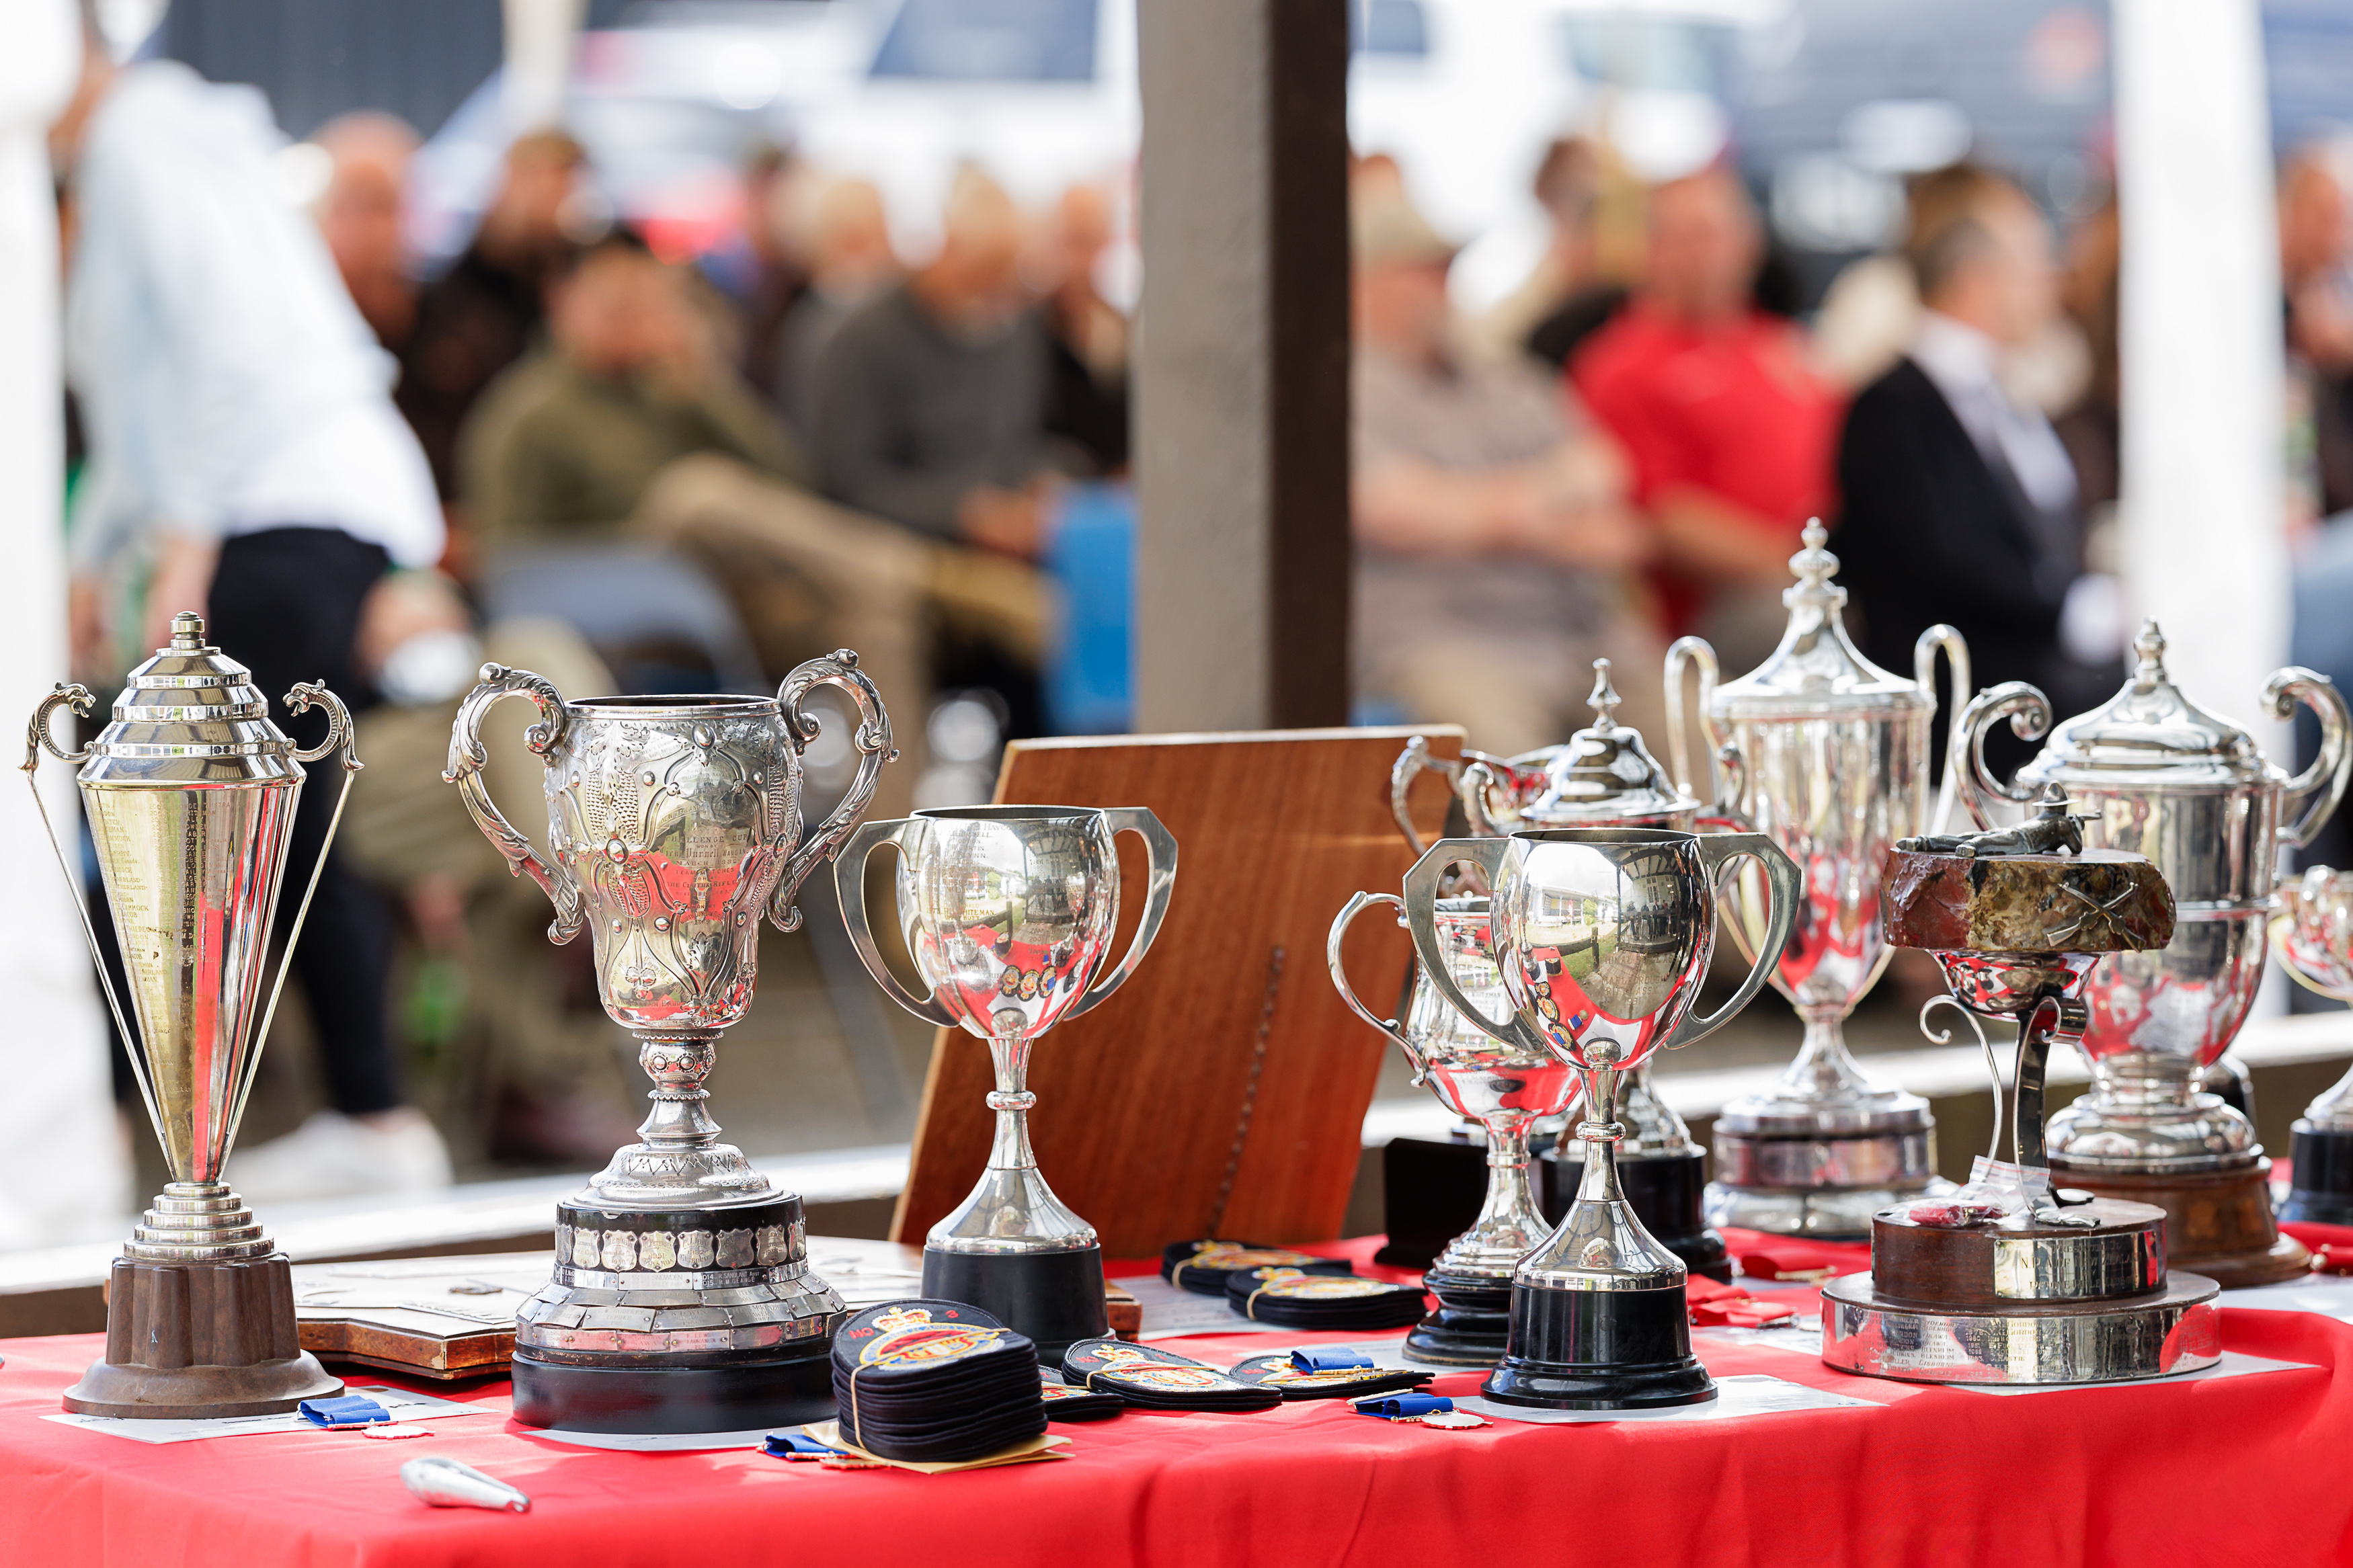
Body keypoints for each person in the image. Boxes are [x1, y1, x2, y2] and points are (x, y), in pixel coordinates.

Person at [52, 40, 452, 1198]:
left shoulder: (144, 139)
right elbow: (149, 393)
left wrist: (180, 547)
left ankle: (119, 1120)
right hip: (293, 508)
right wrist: (98, 555)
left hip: (269, 511)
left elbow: (223, 355)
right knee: (270, 814)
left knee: (191, 820)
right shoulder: (171, 140)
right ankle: (362, 1114)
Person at [1349, 186, 1656, 757]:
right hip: (1443, 639)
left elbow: (1608, 486)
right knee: (1501, 757)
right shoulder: (1346, 388)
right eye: (1421, 270)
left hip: (1585, 636)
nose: (1442, 286)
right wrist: (1547, 505)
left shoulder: (1507, 379)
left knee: (1700, 730)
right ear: (1365, 280)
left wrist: (1483, 515)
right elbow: (1392, 510)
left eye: (1446, 269)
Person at [1829, 163, 2122, 751]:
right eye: (2034, 261)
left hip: (2051, 681)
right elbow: (1943, 564)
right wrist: (2070, 611)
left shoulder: (2007, 394)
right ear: (1977, 277)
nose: (2052, 279)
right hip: (1973, 713)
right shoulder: (1891, 410)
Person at [1570, 164, 1841, 668]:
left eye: (1718, 233)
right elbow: (1660, 515)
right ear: (1651, 249)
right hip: (1713, 606)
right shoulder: (1620, 366)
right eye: (1687, 236)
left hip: (1816, 564)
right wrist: (1803, 564)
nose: (1707, 252)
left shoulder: (1783, 345)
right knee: (1817, 621)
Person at [460, 229, 803, 547]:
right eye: (618, 305)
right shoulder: (531, 414)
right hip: (619, 577)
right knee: (697, 498)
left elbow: (787, 483)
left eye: (647, 301)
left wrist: (703, 383)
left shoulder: (673, 394)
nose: (635, 320)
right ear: (561, 300)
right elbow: (510, 553)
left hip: (719, 575)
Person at [811, 167, 1058, 558]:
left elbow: (1016, 443)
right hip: (902, 553)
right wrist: (959, 513)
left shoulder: (1016, 328)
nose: (997, 292)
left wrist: (1046, 481)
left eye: (1008, 275)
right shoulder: (864, 339)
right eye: (986, 273)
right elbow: (844, 482)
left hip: (1010, 546)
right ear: (946, 252)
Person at [397, 130, 588, 509]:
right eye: (538, 179)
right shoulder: (458, 295)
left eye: (561, 184)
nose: (548, 198)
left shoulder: (577, 272)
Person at [772, 175, 900, 441]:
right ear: (851, 241)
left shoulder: (806, 318)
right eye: (882, 232)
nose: (892, 248)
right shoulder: (844, 325)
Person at [311, 110, 420, 351]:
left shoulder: (442, 328)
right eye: (353, 206)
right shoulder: (296, 317)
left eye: (382, 206)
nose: (367, 228)